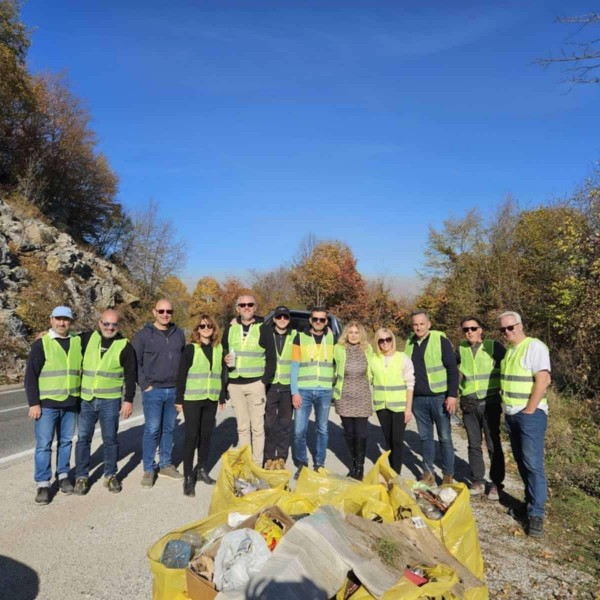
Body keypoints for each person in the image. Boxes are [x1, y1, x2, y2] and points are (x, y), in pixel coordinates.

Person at [498, 311, 551, 538]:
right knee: (521, 461)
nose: (507, 332)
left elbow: (543, 379)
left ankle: (537, 513)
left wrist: (530, 409)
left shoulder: (534, 347)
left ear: (520, 325)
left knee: (532, 463)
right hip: (512, 415)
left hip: (529, 415)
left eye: (511, 327)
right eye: (503, 329)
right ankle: (529, 504)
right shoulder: (510, 350)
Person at [73, 309, 136, 495]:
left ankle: (110, 475)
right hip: (87, 400)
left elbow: (130, 375)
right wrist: (46, 334)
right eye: (106, 323)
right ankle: (81, 477)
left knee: (110, 439)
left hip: (110, 401)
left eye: (114, 324)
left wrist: (129, 400)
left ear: (118, 326)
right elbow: (65, 338)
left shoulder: (124, 346)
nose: (110, 327)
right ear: (99, 323)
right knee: (83, 439)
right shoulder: (86, 338)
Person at [25, 306, 82, 505]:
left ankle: (63, 476)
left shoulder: (77, 341)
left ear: (71, 322)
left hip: (70, 402)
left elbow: (101, 333)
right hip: (47, 405)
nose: (61, 323)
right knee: (44, 446)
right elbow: (30, 376)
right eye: (58, 319)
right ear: (51, 320)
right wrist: (34, 403)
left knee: (66, 442)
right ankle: (42, 484)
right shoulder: (42, 343)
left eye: (66, 320)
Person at [132, 299, 186, 488]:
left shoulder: (179, 333)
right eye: (161, 311)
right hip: (153, 390)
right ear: (154, 312)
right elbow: (135, 362)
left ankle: (165, 465)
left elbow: (184, 361)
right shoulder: (143, 335)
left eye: (169, 311)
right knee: (152, 429)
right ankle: (148, 469)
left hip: (174, 390)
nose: (165, 314)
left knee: (169, 429)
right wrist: (145, 384)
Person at [404, 311, 459, 485]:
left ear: (429, 324)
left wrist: (452, 395)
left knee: (445, 437)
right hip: (419, 400)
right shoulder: (409, 343)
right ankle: (427, 473)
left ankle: (448, 474)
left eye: (421, 323)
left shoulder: (439, 340)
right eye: (415, 324)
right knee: (425, 438)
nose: (418, 327)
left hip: (439, 398)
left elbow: (452, 369)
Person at [222, 295, 275, 465]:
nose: (246, 307)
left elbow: (271, 358)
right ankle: (246, 463)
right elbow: (223, 350)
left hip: (255, 384)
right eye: (242, 305)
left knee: (257, 428)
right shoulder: (229, 329)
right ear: (237, 308)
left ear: (255, 307)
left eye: (250, 304)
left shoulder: (264, 329)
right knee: (242, 428)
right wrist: (225, 358)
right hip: (235, 384)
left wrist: (263, 382)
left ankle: (257, 465)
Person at [176, 314, 226, 496]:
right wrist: (179, 400)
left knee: (206, 435)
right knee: (191, 437)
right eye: (202, 326)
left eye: (209, 326)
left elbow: (221, 374)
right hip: (192, 399)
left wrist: (222, 397)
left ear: (214, 329)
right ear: (197, 329)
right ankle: (189, 477)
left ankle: (202, 469)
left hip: (210, 398)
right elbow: (181, 375)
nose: (206, 329)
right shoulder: (191, 349)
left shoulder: (219, 349)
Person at [457, 316, 506, 501]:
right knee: (473, 444)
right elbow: (449, 367)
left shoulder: (493, 346)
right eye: (465, 329)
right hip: (469, 403)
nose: (469, 331)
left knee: (494, 446)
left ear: (480, 330)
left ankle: (496, 483)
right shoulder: (461, 348)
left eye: (473, 328)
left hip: (490, 403)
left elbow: (509, 368)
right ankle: (478, 480)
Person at [291, 306, 335, 479]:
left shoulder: (331, 338)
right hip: (304, 390)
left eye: (322, 320)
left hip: (324, 391)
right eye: (315, 319)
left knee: (322, 429)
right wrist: (295, 391)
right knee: (299, 430)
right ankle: (302, 463)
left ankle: (320, 464)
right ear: (310, 320)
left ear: (326, 322)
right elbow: (294, 366)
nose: (318, 322)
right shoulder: (300, 338)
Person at [370, 327, 415, 475]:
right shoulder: (374, 359)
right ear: (377, 342)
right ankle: (391, 470)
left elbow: (410, 384)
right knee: (388, 441)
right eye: (381, 340)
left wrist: (408, 409)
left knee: (397, 441)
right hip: (381, 406)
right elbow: (368, 379)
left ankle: (396, 474)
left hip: (399, 408)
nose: (385, 343)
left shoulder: (403, 358)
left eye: (388, 339)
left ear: (392, 340)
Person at [333, 321, 373, 479]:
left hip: (362, 395)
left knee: (361, 433)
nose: (354, 335)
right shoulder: (339, 348)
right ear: (346, 334)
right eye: (351, 332)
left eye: (357, 332)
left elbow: (373, 367)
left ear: (361, 334)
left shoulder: (367, 349)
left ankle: (360, 469)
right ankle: (354, 464)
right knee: (349, 433)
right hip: (344, 396)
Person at [263, 306, 295, 471]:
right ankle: (269, 457)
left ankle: (281, 457)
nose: (282, 319)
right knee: (269, 424)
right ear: (274, 319)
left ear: (289, 320)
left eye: (285, 317)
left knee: (284, 425)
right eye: (279, 317)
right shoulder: (266, 334)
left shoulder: (296, 336)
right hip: (270, 386)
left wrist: (327, 333)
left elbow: (314, 338)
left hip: (287, 387)